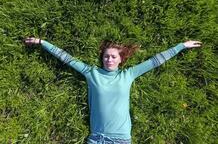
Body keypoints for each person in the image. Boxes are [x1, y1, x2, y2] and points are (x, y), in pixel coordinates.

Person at [24, 37, 202, 144]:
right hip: (96, 139)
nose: (109, 59)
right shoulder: (91, 73)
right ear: (102, 59)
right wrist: (42, 42)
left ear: (120, 60)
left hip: (121, 140)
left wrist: (181, 46)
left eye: (113, 56)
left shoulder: (129, 75)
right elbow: (66, 58)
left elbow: (155, 61)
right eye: (106, 56)